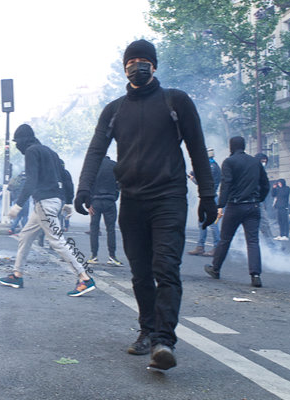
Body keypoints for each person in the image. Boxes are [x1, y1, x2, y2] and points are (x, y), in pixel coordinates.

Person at [74, 39, 216, 370]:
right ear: (124, 67)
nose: (137, 65)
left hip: (168, 196)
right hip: (132, 200)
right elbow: (96, 150)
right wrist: (84, 188)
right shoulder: (114, 110)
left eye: (143, 60)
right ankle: (147, 331)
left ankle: (164, 341)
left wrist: (208, 195)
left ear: (154, 66)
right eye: (131, 60)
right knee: (139, 273)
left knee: (165, 268)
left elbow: (197, 146)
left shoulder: (175, 101)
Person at [0, 124, 96, 297]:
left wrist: (18, 205)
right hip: (51, 201)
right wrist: (66, 201)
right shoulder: (50, 152)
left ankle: (84, 278)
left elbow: (31, 180)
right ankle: (17, 275)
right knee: (25, 236)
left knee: (57, 241)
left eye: (17, 142)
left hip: (45, 202)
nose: (17, 146)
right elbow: (65, 176)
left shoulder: (31, 152)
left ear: (22, 140)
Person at [204, 136, 270, 288]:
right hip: (253, 206)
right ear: (244, 146)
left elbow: (226, 184)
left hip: (235, 205)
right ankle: (255, 274)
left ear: (231, 147)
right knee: (253, 241)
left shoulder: (229, 162)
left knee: (225, 239)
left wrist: (220, 205)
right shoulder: (255, 162)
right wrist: (259, 199)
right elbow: (265, 184)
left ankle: (215, 268)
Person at [85, 156, 122, 266]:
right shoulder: (114, 165)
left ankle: (94, 256)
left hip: (95, 201)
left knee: (94, 229)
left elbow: (88, 184)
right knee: (111, 229)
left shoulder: (94, 166)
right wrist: (115, 196)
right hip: (110, 201)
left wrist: (88, 203)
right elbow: (119, 183)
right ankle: (112, 256)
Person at [187, 148, 221, 257]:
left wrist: (193, 178)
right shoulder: (213, 166)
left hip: (210, 197)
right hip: (209, 196)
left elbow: (204, 182)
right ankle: (200, 246)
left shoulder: (211, 167)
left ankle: (215, 247)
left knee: (211, 224)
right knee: (203, 222)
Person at [254, 153, 275, 245]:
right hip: (248, 201)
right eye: (262, 161)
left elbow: (265, 187)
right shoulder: (251, 171)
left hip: (257, 202)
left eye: (265, 162)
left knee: (264, 223)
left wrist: (260, 199)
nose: (264, 164)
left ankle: (271, 244)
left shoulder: (262, 172)